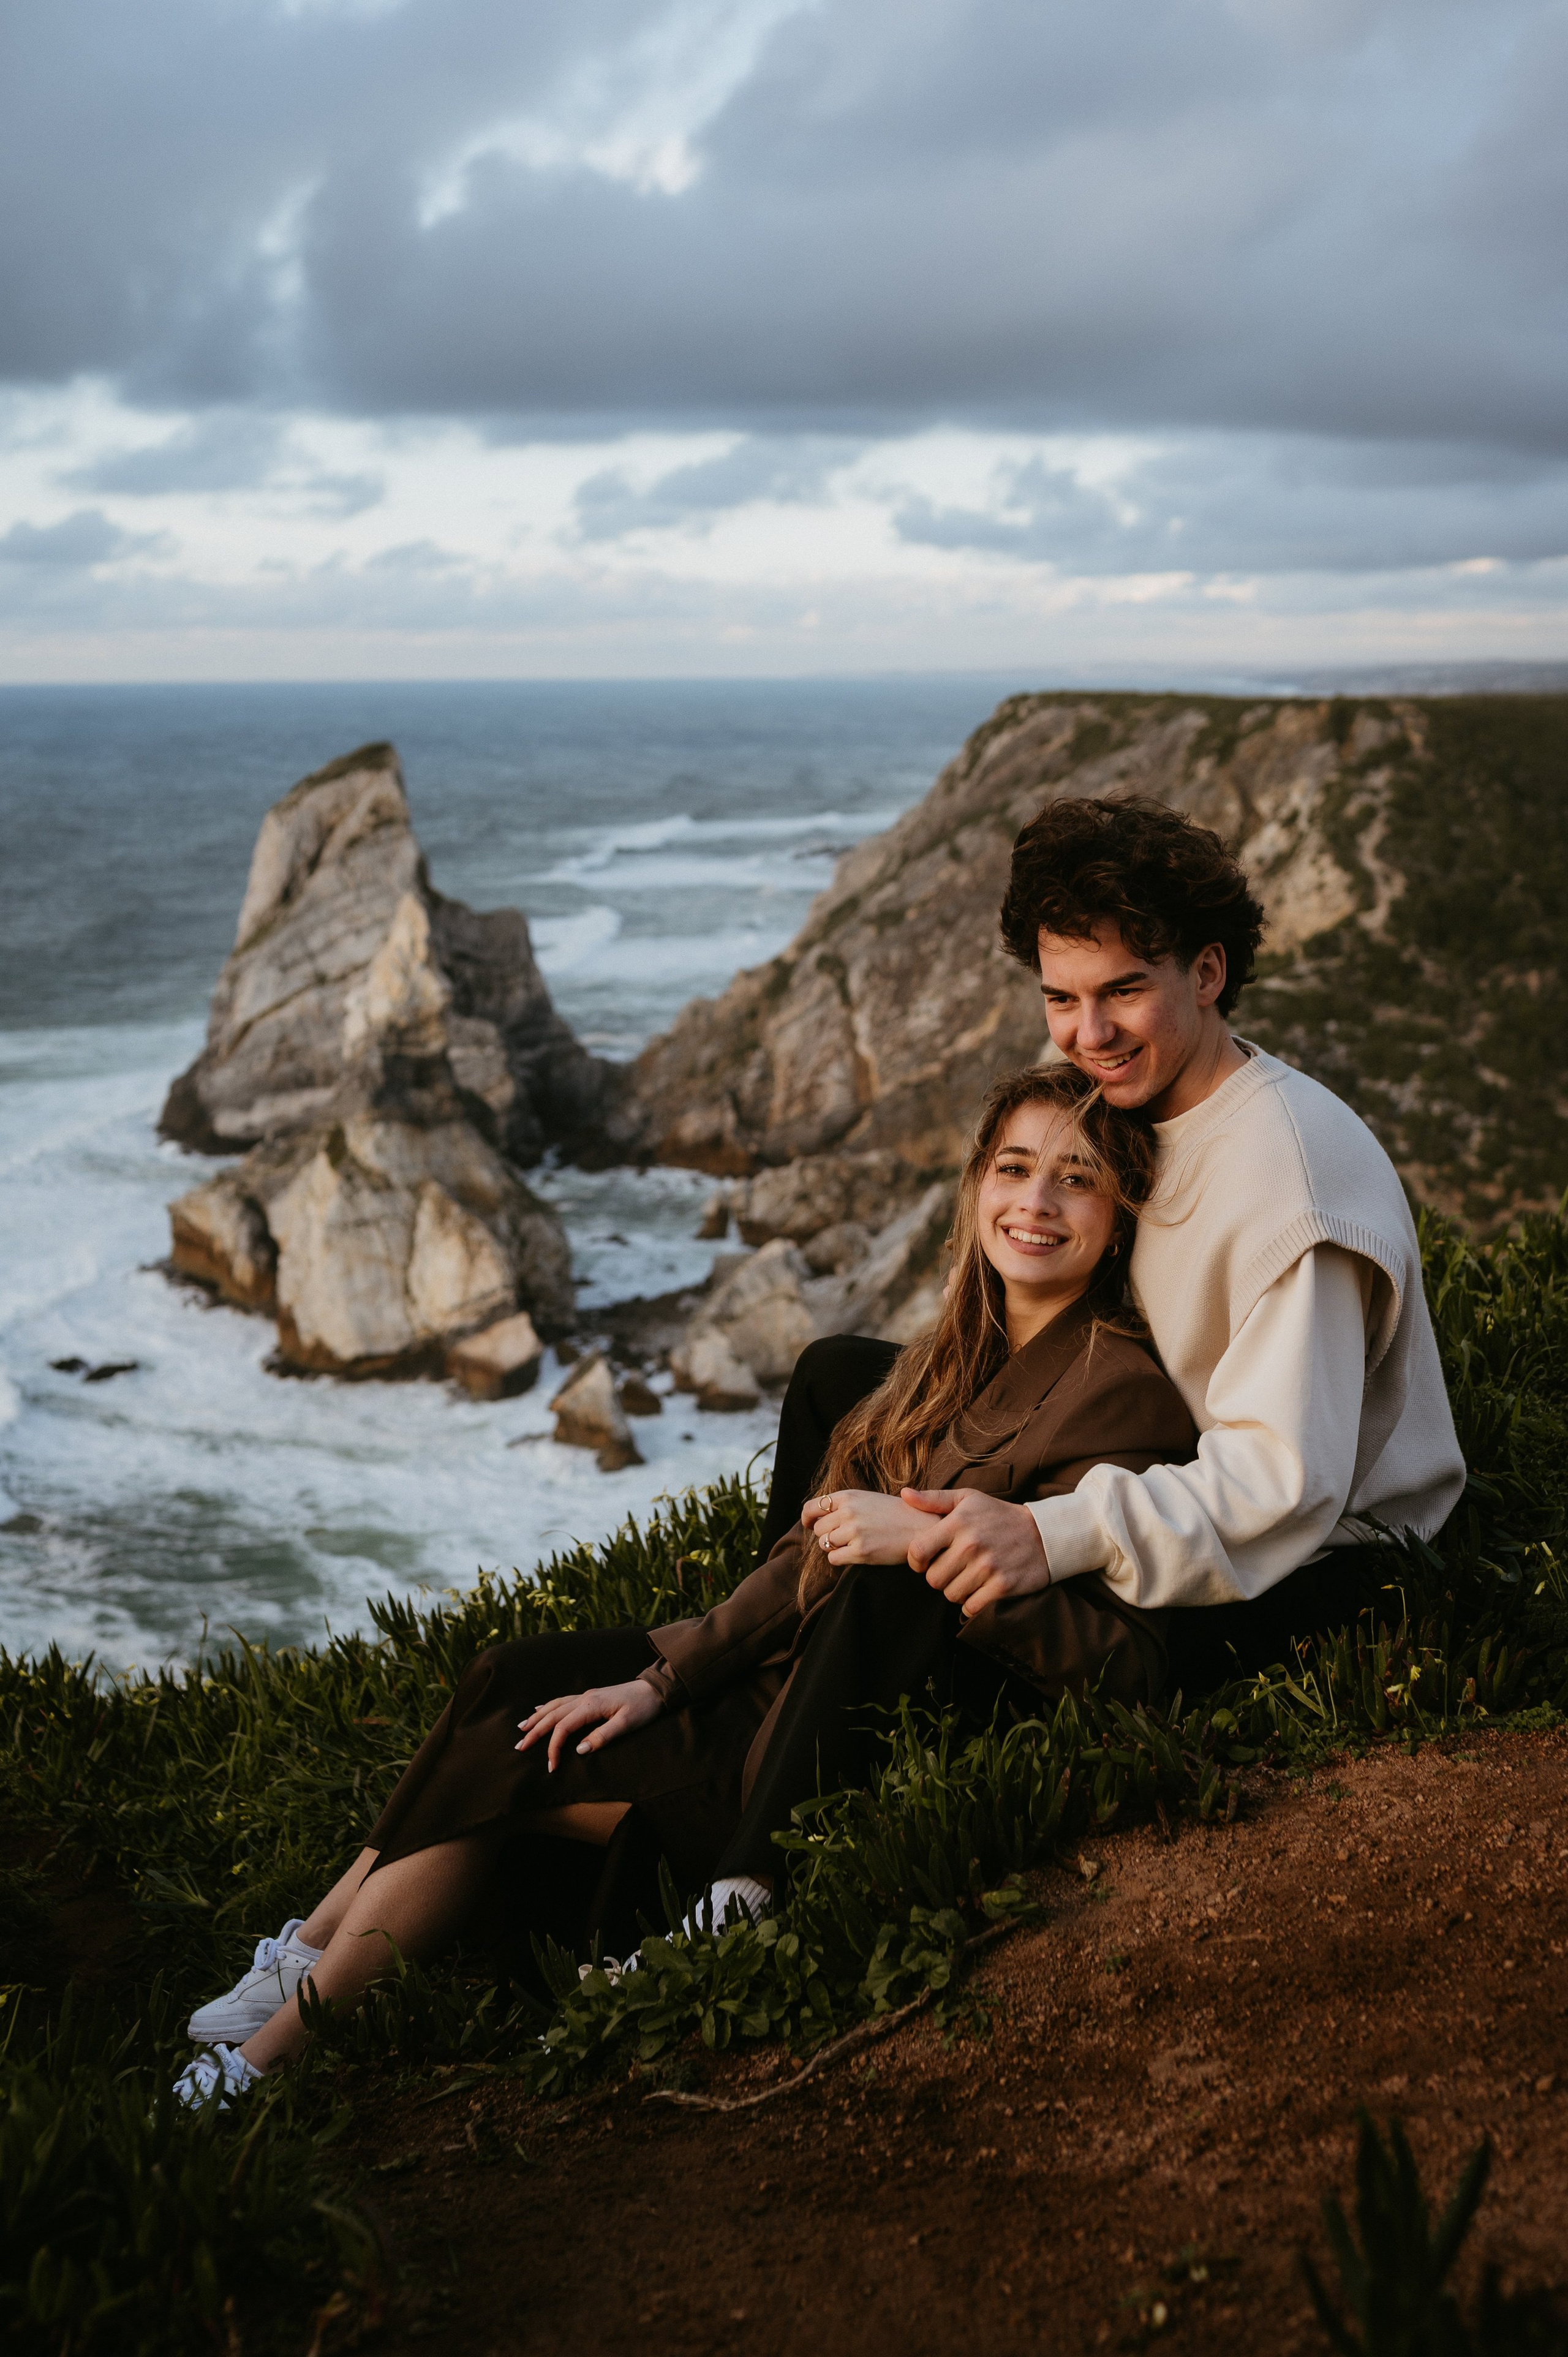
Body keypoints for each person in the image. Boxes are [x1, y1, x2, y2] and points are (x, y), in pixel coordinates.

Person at [175, 1063, 1194, 2108]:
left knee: (512, 1752)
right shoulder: (947, 1352)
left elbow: (1128, 1658)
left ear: (1118, 1219)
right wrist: (661, 1682)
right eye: (1015, 1168)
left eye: (1075, 1180)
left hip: (865, 1732)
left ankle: (266, 2062)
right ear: (978, 1182)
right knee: (508, 1677)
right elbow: (811, 1552)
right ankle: (307, 1951)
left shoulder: (1125, 1390)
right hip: (777, 1673)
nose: (1035, 1203)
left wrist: (937, 1554)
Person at [767, 794, 1466, 1697]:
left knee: (918, 1579)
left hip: (1313, 1570)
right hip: (1149, 1448)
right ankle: (773, 1642)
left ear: (1207, 973)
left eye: (1125, 991)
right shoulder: (1142, 1099)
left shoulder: (1292, 1185)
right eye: (1062, 998)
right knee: (837, 1379)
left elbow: (1282, 1485)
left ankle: (791, 1733)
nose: (1089, 1036)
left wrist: (1046, 1532)